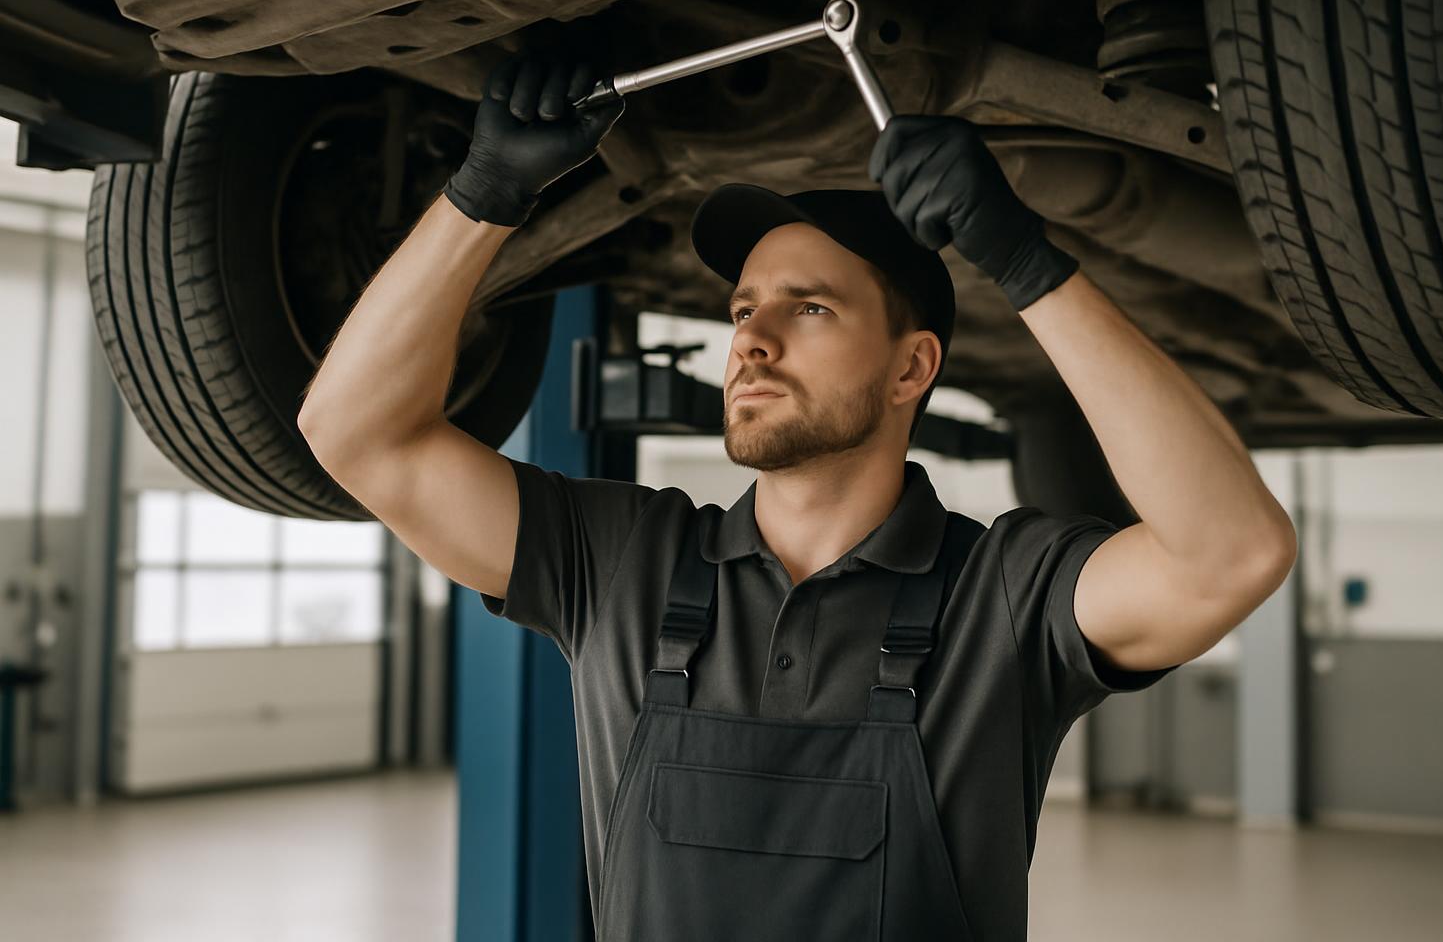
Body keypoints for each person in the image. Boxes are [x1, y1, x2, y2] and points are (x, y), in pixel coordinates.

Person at [297, 53, 1297, 939]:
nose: (752, 339)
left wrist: (1024, 263)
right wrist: (487, 192)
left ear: (913, 368)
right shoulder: (619, 560)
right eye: (743, 309)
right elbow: (353, 433)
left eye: (809, 306)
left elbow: (1233, 553)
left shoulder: (1003, 595)